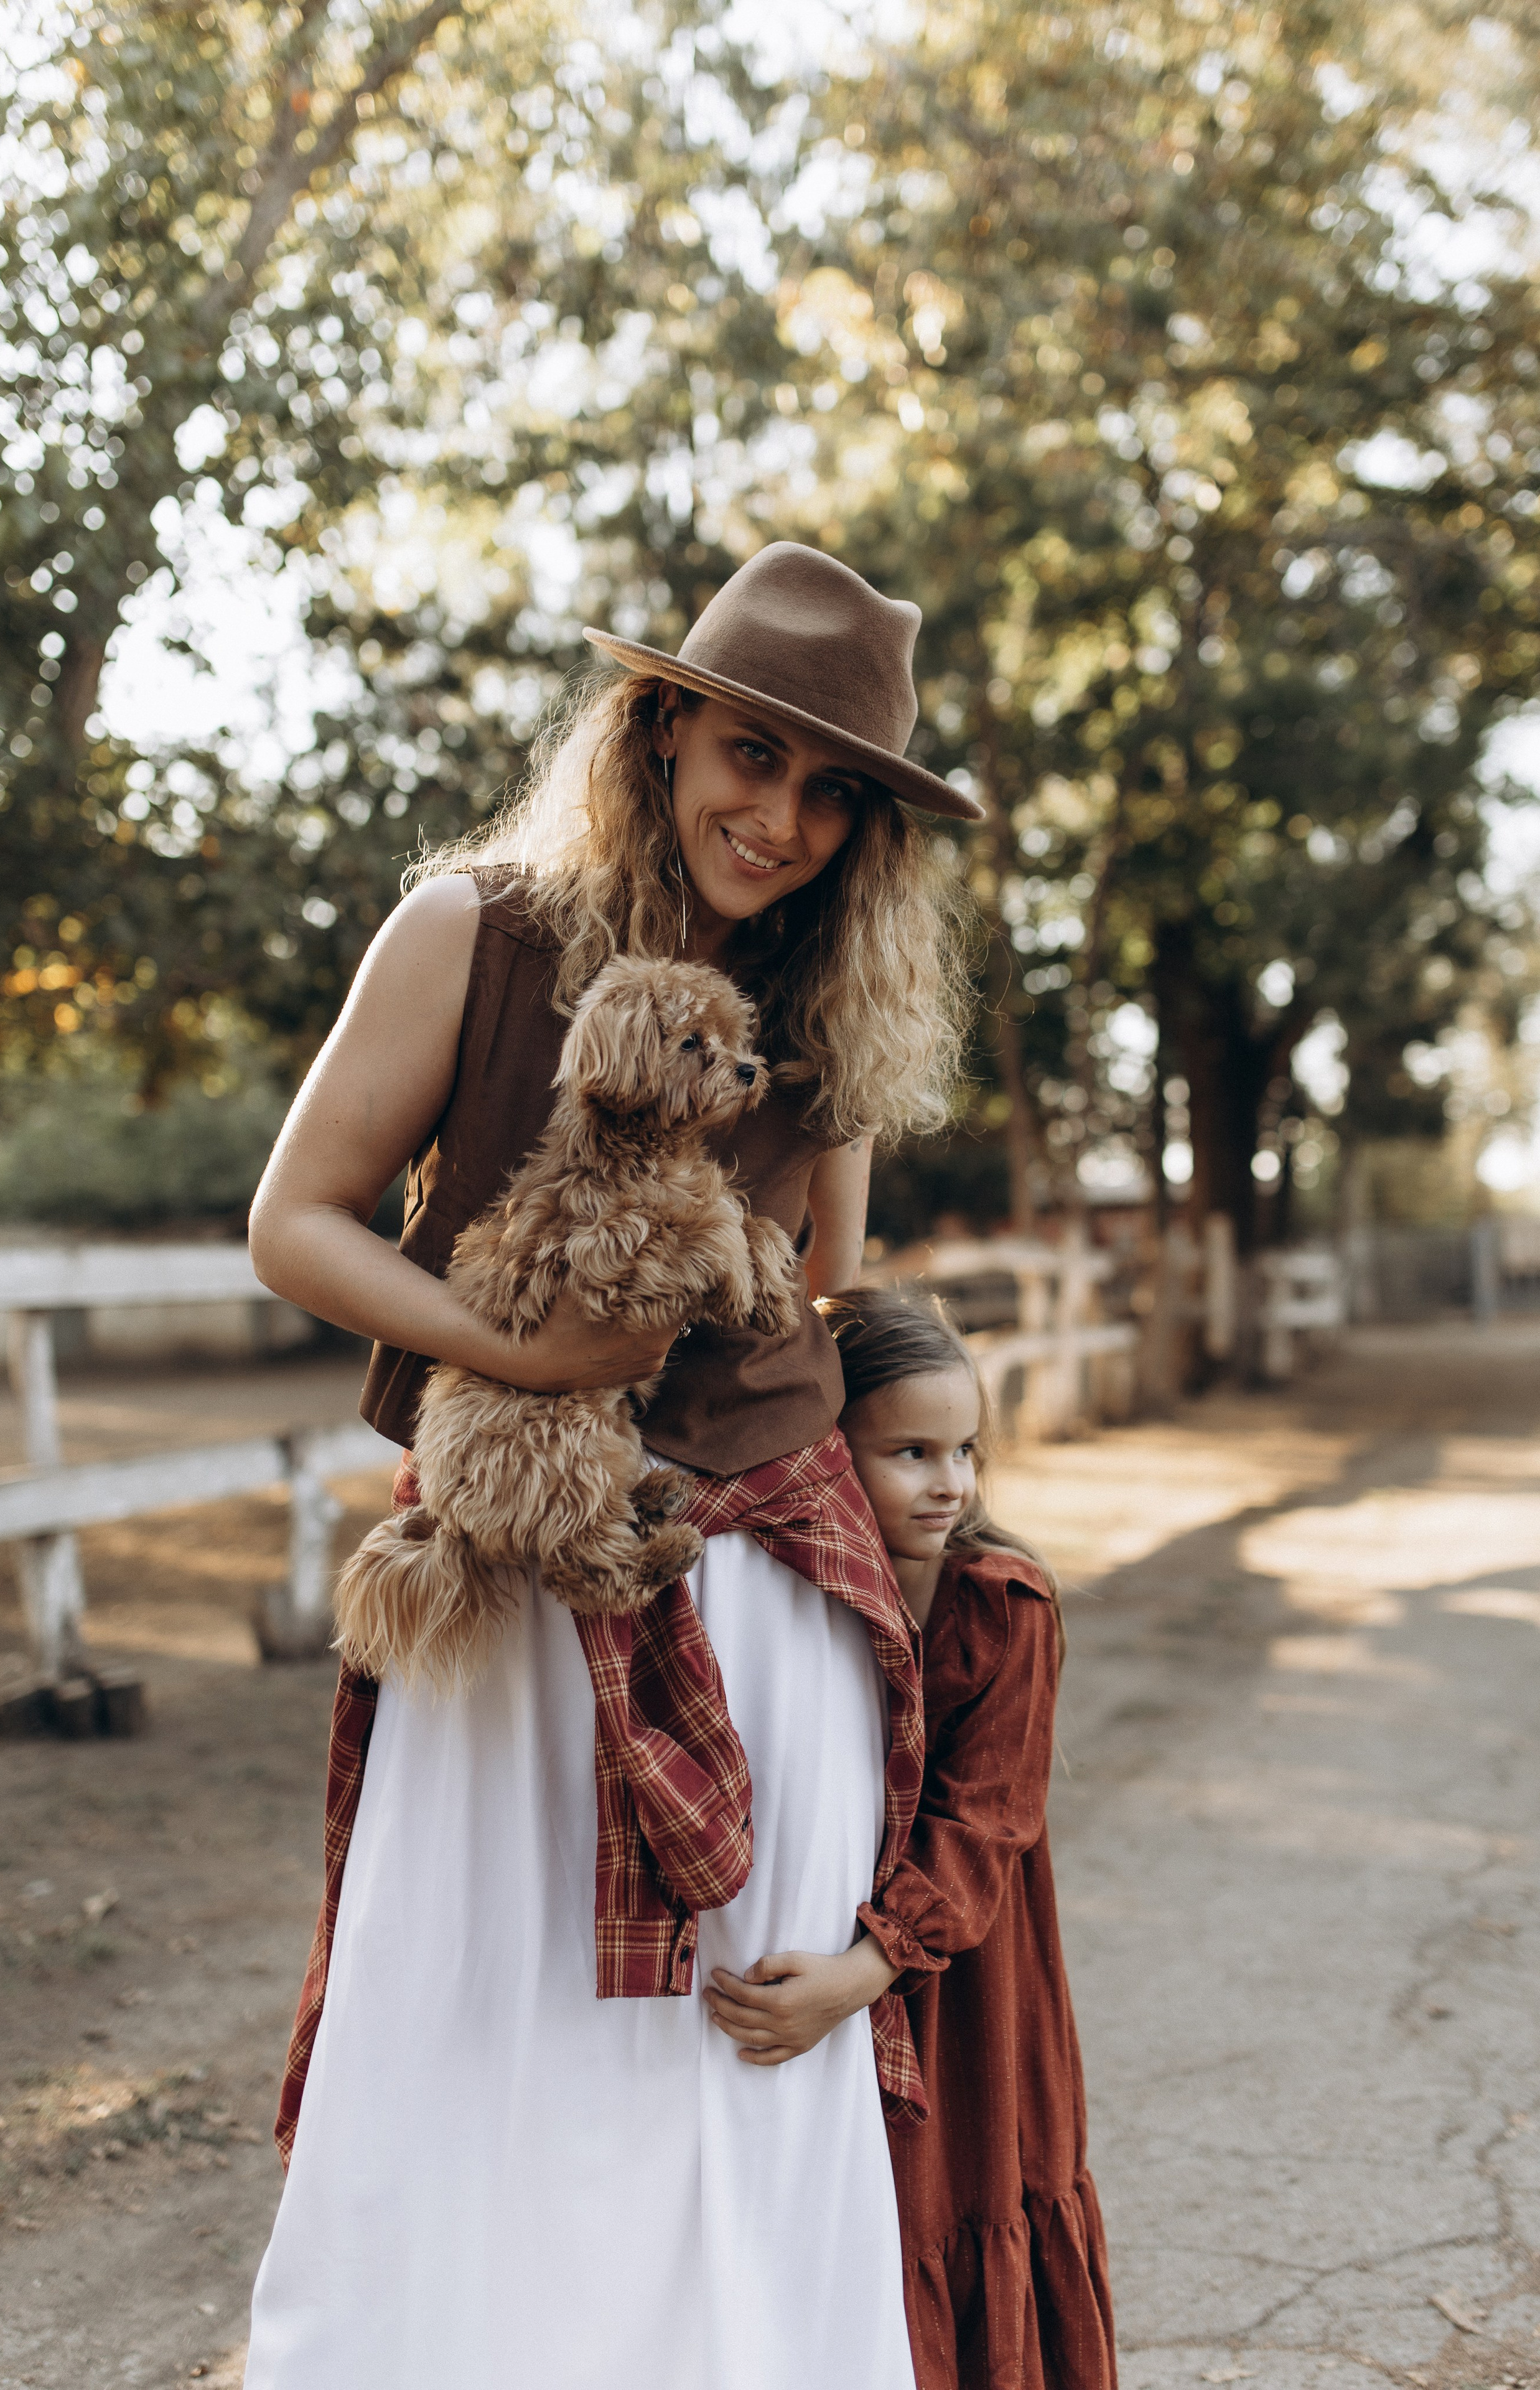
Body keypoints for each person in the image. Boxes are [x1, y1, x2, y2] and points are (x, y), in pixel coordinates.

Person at [240, 542, 984, 2389]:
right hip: (516, 1575)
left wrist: (937, 1495)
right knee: (484, 2023)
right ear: (659, 730)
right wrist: (514, 1352)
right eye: (752, 755)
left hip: (766, 1583)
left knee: (723, 2059)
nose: (786, 819)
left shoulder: (824, 1008)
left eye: (833, 794)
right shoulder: (475, 934)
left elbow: (818, 1289)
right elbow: (294, 1221)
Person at [705, 1284, 1116, 2390]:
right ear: (831, 1455)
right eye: (912, 1453)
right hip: (838, 1965)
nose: (953, 1484)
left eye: (968, 1450)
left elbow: (986, 1824)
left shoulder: (1000, 1602)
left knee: (953, 2204)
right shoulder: (788, 1599)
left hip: (962, 1981)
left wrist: (864, 1970)